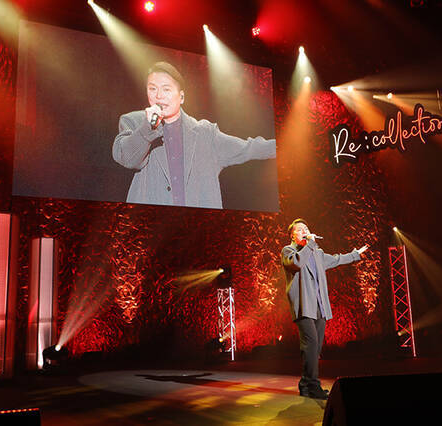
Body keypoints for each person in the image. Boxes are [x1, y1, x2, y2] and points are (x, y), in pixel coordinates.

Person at [112, 61, 276, 209]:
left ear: (181, 97)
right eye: (152, 89)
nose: (159, 96)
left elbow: (248, 148)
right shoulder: (134, 122)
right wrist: (147, 128)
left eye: (166, 89)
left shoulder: (206, 133)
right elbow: (127, 158)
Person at [281, 218, 368, 399]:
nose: (304, 231)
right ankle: (313, 386)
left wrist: (355, 254)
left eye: (306, 228)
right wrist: (310, 244)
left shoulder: (317, 253)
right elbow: (297, 263)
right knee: (311, 344)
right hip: (304, 305)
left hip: (319, 306)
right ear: (292, 235)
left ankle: (305, 384)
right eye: (300, 229)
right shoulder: (288, 251)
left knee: (315, 347)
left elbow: (336, 259)